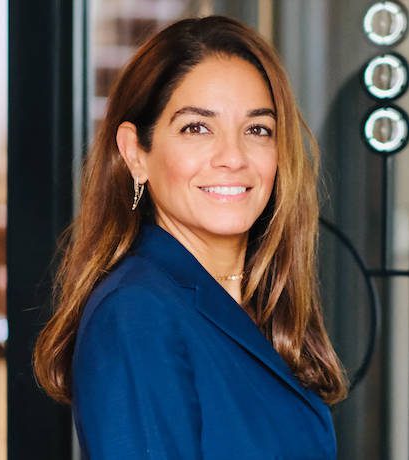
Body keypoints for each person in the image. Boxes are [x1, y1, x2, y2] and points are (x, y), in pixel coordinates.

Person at [33, 15, 347, 459]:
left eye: (257, 130)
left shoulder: (260, 309)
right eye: (197, 128)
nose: (233, 157)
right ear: (135, 153)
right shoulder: (137, 313)